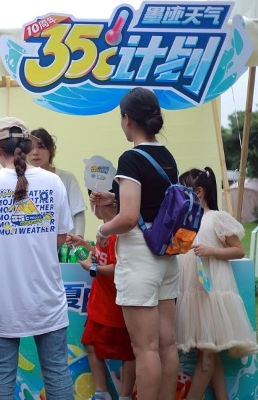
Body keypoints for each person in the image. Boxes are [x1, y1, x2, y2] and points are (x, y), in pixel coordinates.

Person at [0, 117, 75, 399]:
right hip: (47, 298)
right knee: (57, 372)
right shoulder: (54, 182)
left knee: (1, 374)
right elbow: (61, 236)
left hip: (3, 300)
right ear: (27, 146)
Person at [90, 87, 179, 400]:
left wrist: (103, 231)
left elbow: (127, 219)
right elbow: (153, 204)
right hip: (167, 255)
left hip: (141, 257)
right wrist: (114, 197)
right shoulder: (166, 155)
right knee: (167, 344)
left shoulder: (130, 158)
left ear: (127, 119)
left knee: (145, 348)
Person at [176, 167, 258, 399]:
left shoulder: (216, 218)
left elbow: (238, 250)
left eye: (184, 191)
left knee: (208, 355)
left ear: (198, 192)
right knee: (208, 352)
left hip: (212, 294)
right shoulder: (186, 220)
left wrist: (211, 250)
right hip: (193, 293)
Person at [66, 191, 135, 400]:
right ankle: (101, 392)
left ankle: (124, 395)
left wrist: (92, 268)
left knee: (127, 352)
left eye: (93, 202)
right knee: (91, 343)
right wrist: (84, 245)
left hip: (116, 304)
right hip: (99, 304)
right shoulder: (104, 231)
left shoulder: (118, 232)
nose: (91, 207)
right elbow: (102, 256)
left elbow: (120, 266)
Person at [27, 128, 87, 237]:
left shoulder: (66, 178)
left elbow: (78, 212)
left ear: (51, 151)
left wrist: (79, 239)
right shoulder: (21, 181)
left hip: (65, 248)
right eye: (30, 148)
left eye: (41, 147)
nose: (35, 152)